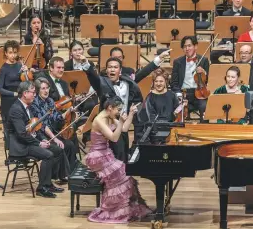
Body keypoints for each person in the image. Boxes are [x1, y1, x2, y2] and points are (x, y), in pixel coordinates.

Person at [81, 50, 169, 162]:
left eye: (115, 67)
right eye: (110, 67)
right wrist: (85, 63)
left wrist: (159, 59)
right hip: (109, 123)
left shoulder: (128, 81)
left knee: (123, 152)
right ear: (106, 70)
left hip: (124, 121)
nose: (112, 69)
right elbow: (93, 76)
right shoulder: (102, 83)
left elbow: (143, 72)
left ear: (120, 70)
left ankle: (123, 171)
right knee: (114, 154)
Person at [85, 95, 151, 223]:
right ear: (110, 108)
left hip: (106, 153)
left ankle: (127, 207)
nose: (119, 112)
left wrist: (131, 114)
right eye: (118, 109)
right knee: (122, 173)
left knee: (127, 173)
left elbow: (125, 129)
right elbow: (114, 138)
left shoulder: (110, 117)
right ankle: (114, 210)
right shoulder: (100, 120)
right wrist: (120, 121)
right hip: (97, 156)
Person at [7, 81, 60, 198]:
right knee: (48, 155)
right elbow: (22, 134)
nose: (35, 95)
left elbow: (35, 128)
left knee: (57, 150)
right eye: (33, 92)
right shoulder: (16, 109)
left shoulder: (28, 107)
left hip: (29, 142)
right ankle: (41, 188)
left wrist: (43, 139)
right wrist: (39, 143)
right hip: (21, 146)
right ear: (25, 93)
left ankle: (48, 183)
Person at [30, 77, 76, 178]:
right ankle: (61, 175)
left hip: (51, 132)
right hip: (41, 135)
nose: (46, 91)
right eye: (43, 88)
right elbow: (42, 125)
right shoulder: (34, 104)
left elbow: (56, 118)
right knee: (59, 146)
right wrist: (54, 139)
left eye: (47, 88)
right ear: (37, 90)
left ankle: (68, 173)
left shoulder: (50, 101)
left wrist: (68, 112)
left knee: (70, 144)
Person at [170, 36, 209, 123]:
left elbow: (209, 81)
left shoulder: (204, 60)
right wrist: (179, 95)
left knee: (204, 106)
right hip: (183, 93)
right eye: (184, 46)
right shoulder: (177, 62)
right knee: (175, 108)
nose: (187, 48)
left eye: (189, 45)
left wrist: (204, 73)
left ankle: (205, 130)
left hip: (199, 93)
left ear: (195, 46)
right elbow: (174, 83)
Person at [210, 0, 253, 64]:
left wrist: (239, 42)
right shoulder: (225, 13)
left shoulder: (248, 13)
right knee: (213, 54)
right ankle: (225, 68)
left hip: (242, 41)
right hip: (227, 41)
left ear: (243, 0)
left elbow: (249, 30)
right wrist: (228, 42)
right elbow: (224, 31)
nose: (238, 0)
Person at [0, 40, 28, 125]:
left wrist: (26, 72)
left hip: (20, 95)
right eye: (10, 53)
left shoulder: (20, 65)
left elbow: (27, 82)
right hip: (8, 98)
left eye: (15, 52)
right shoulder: (4, 69)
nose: (13, 55)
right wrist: (13, 94)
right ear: (6, 53)